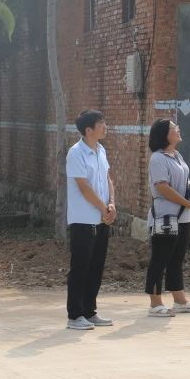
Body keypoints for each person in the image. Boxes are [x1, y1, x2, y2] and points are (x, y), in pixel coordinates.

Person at [145, 119, 190, 317]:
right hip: (166, 217)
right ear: (164, 134)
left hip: (183, 216)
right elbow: (162, 187)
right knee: (159, 259)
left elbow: (185, 181)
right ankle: (155, 304)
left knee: (176, 259)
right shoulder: (158, 158)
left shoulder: (177, 155)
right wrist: (185, 202)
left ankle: (179, 301)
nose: (178, 130)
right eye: (173, 128)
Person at [65, 109, 117, 331]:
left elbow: (107, 179)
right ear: (88, 130)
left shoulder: (101, 150)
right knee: (80, 267)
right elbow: (83, 187)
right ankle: (75, 315)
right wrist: (103, 208)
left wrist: (111, 203)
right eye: (101, 123)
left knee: (96, 266)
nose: (105, 126)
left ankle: (89, 311)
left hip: (102, 218)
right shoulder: (76, 153)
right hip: (83, 219)